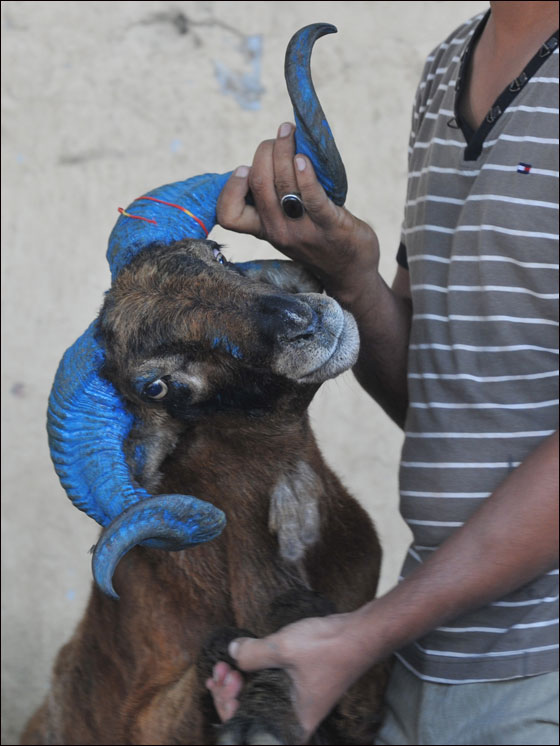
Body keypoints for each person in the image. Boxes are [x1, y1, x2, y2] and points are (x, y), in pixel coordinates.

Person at [206, 2, 559, 743]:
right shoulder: (448, 64)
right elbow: (436, 404)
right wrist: (352, 277)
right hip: (428, 657)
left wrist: (358, 638)